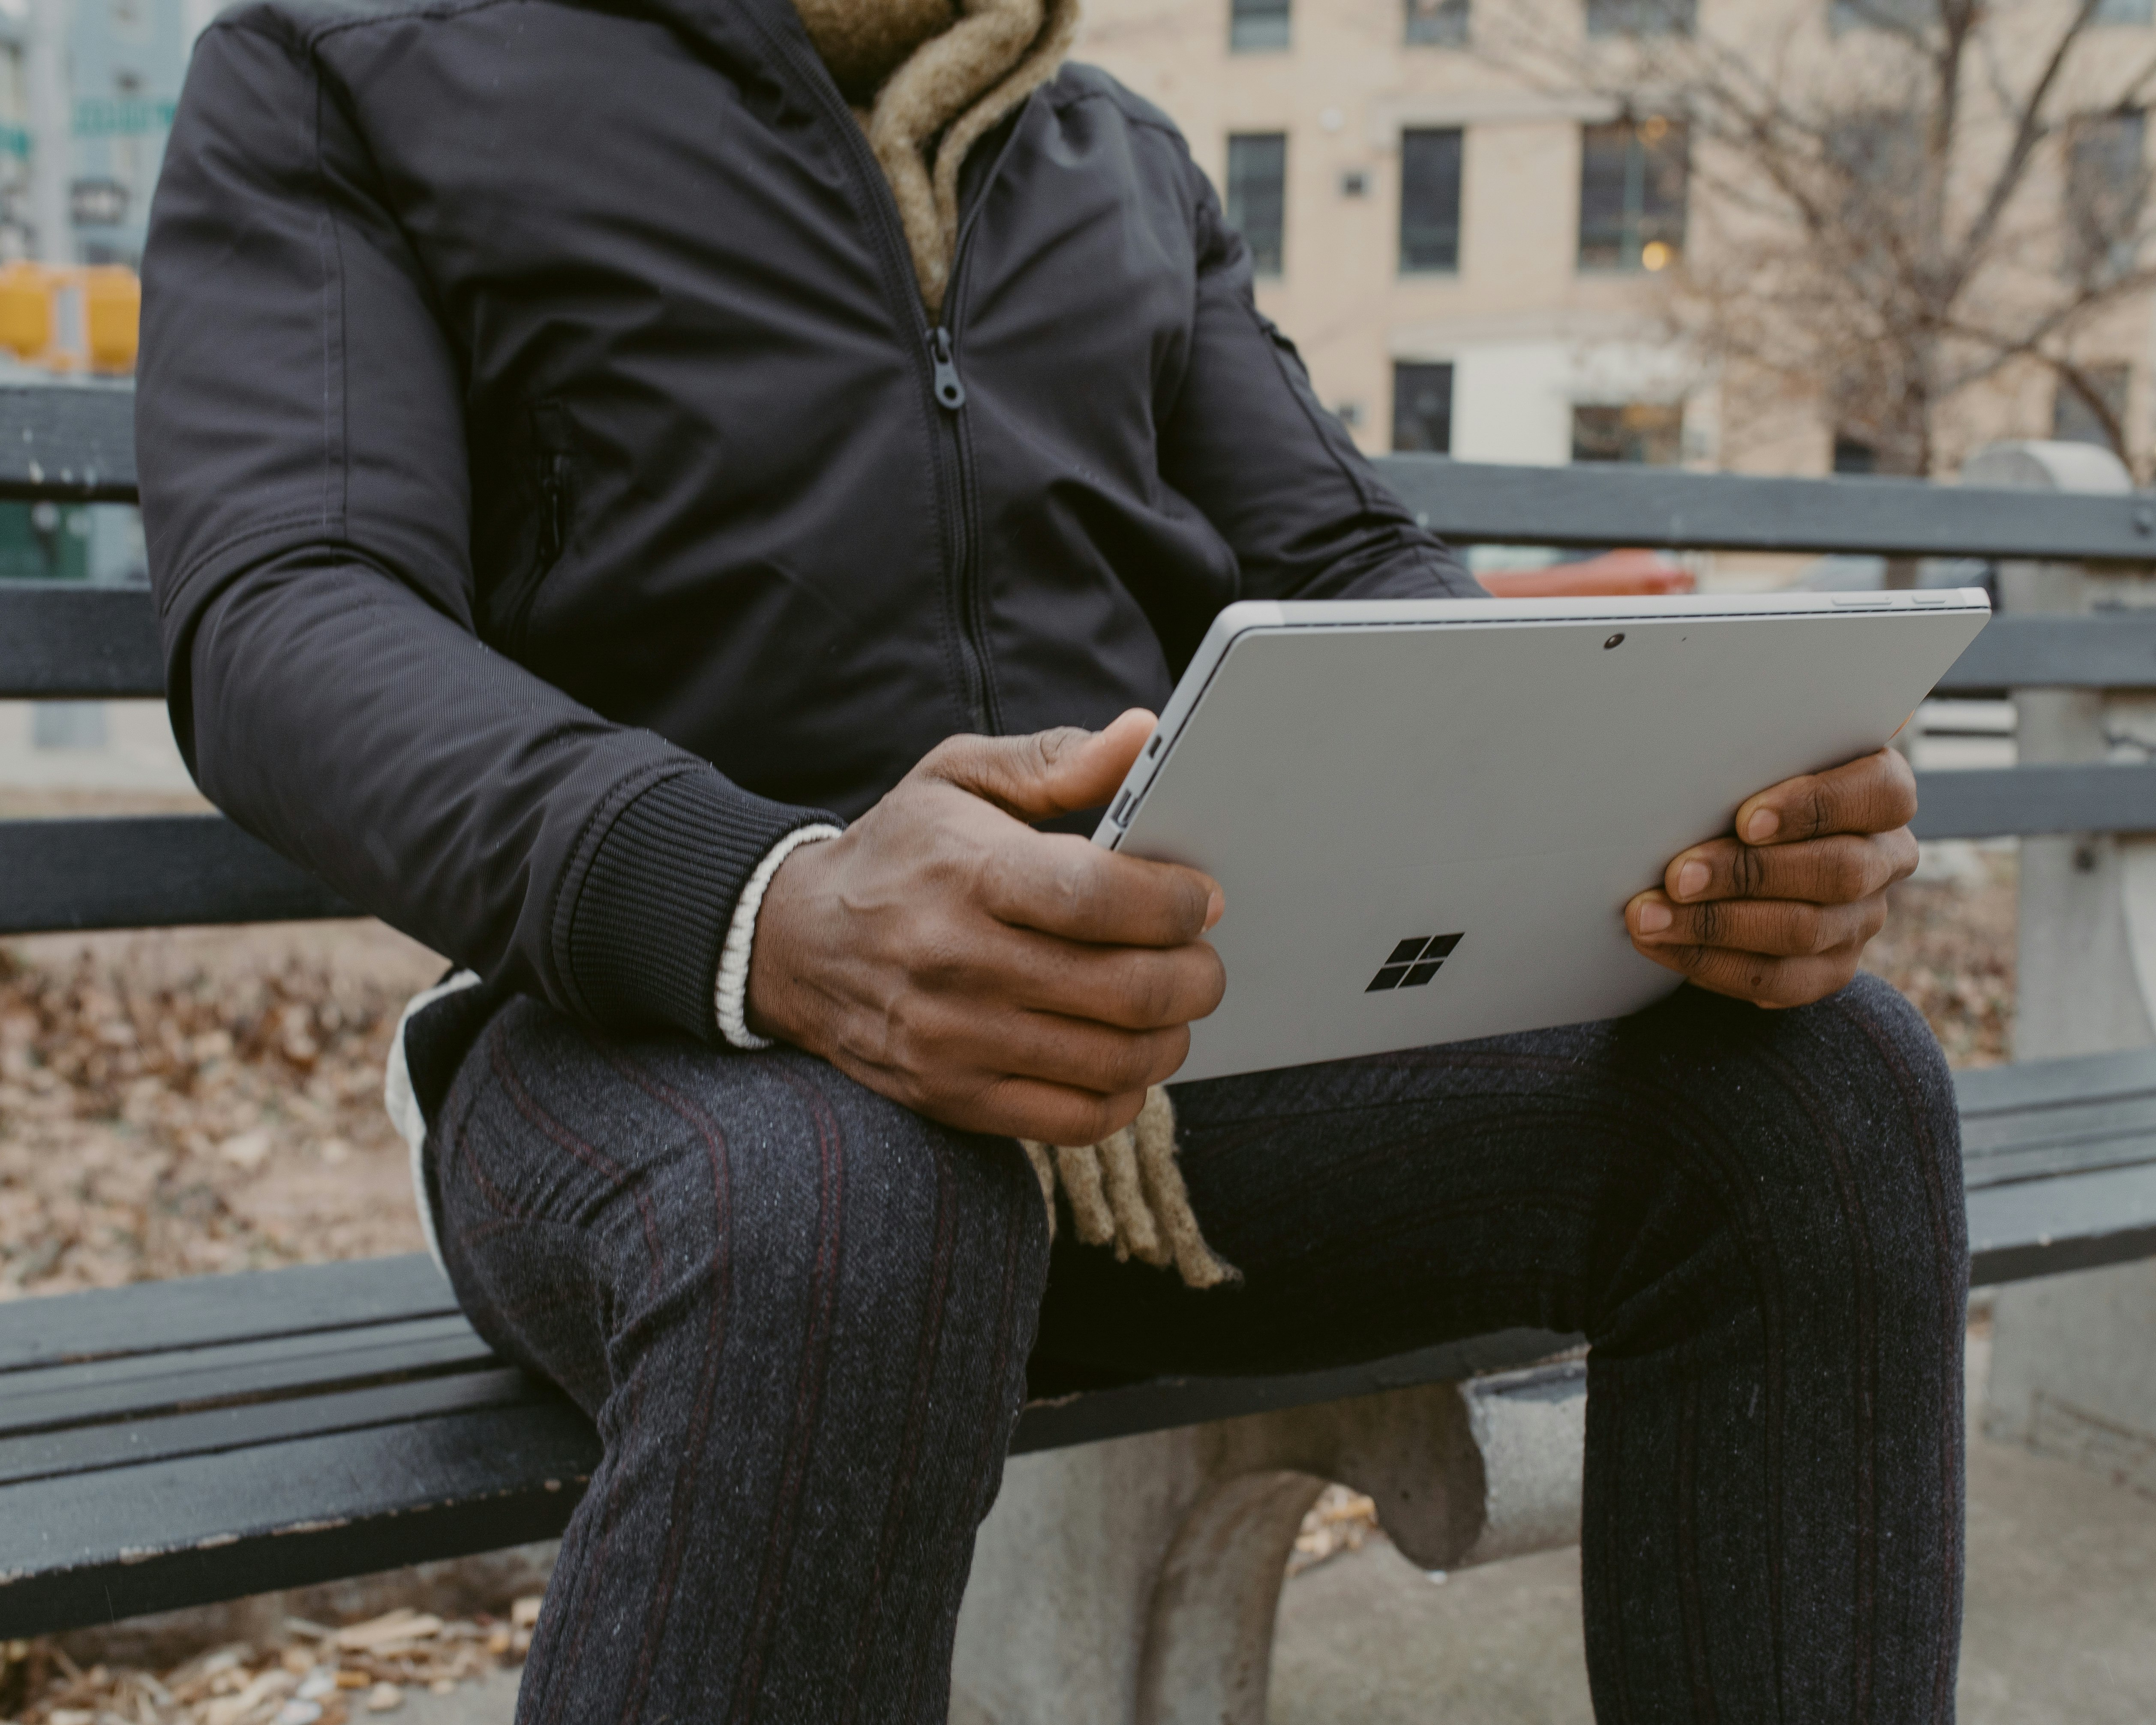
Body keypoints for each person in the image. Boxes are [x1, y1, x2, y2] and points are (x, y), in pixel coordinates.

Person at [135, 0, 1966, 1718]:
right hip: (643, 1040)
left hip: (1150, 1075)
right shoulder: (346, 72)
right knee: (851, 1202)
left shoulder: (1111, 152)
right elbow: (290, 611)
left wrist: (1654, 823)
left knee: (1817, 1090)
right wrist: (771, 903)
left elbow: (1340, 567)